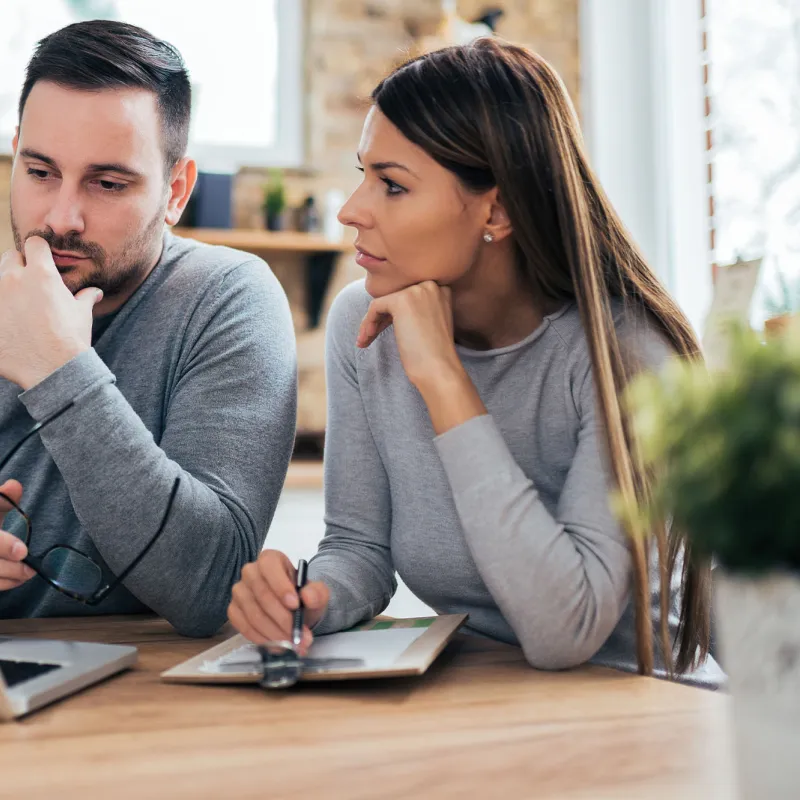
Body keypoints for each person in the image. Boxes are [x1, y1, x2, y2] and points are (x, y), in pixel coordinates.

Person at [228, 38, 722, 683]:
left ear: (497, 209)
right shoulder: (363, 322)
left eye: (393, 185)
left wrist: (443, 379)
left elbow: (563, 632)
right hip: (484, 693)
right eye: (363, 175)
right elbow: (360, 550)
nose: (352, 211)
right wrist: (309, 598)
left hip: (643, 709)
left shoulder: (626, 354)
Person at [0, 21, 297, 635]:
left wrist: (58, 368)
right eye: (39, 171)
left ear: (176, 191)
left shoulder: (226, 299)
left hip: (148, 695)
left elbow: (209, 586)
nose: (61, 217)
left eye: (108, 183)